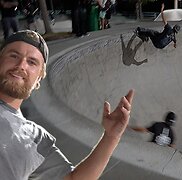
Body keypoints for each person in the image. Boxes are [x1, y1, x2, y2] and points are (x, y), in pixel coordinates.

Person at [0, 30, 134, 179]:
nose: (21, 65)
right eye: (14, 56)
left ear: (39, 79)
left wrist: (111, 137)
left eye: (32, 62)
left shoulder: (37, 140)